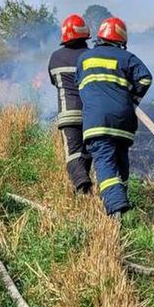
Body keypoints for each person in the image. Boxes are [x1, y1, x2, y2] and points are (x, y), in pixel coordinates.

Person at [77, 16, 153, 217]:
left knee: (105, 162)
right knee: (121, 161)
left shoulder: (85, 59)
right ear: (122, 39)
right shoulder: (127, 58)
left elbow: (80, 87)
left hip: (96, 122)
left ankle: (117, 208)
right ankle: (121, 200)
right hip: (123, 121)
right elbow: (145, 78)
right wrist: (132, 99)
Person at [47, 14, 93, 194]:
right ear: (84, 36)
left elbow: (54, 82)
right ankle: (84, 186)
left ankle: (82, 185)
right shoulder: (90, 56)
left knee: (73, 152)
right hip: (90, 113)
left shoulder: (55, 58)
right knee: (87, 151)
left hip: (68, 114)